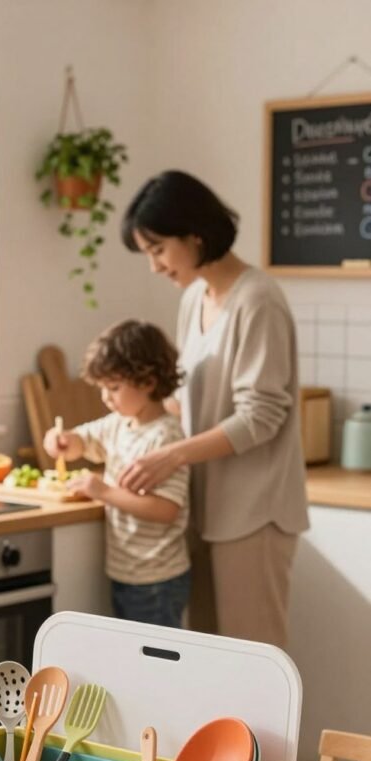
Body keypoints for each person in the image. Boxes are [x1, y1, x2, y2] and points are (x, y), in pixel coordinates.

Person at [120, 170, 309, 649]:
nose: (154, 266)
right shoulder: (193, 299)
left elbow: (261, 416)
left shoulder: (258, 300)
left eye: (158, 249)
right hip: (203, 505)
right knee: (209, 662)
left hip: (253, 512)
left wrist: (173, 455)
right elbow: (181, 396)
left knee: (254, 663)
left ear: (195, 234)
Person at [43, 319, 190, 628]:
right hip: (125, 572)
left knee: (155, 671)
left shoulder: (166, 436)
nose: (106, 398)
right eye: (102, 389)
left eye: (113, 388)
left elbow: (166, 510)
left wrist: (104, 492)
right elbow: (81, 442)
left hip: (157, 579)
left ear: (148, 382)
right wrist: (61, 442)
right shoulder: (118, 424)